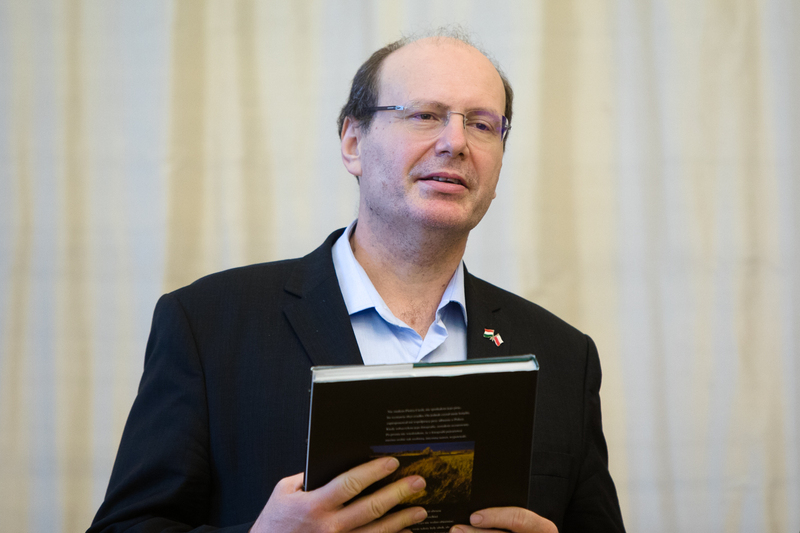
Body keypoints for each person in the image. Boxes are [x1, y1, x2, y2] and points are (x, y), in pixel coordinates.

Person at [88, 31, 625, 533]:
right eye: (425, 115)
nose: (456, 142)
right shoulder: (209, 324)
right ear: (352, 142)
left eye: (483, 125)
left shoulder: (564, 357)